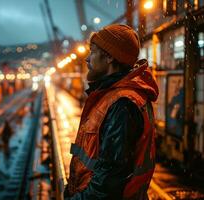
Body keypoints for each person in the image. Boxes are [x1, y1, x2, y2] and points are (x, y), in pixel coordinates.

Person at [64, 24, 159, 199]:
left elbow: (107, 185)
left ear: (108, 57)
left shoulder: (122, 104)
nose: (87, 59)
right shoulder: (114, 96)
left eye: (92, 52)